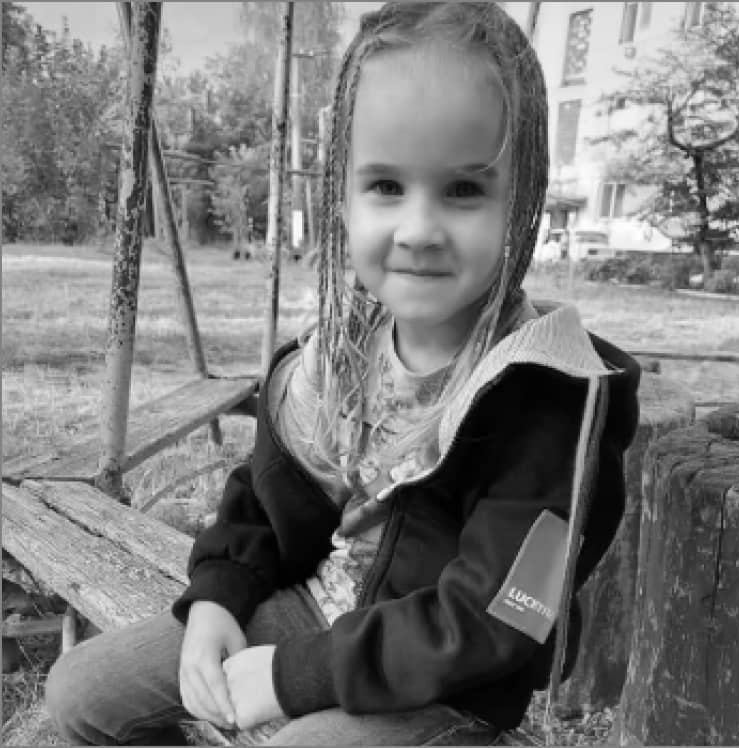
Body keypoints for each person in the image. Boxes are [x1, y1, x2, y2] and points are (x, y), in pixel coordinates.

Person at [45, 3, 640, 745]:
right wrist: (219, 597)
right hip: (312, 613)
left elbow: (500, 618)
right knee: (79, 692)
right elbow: (262, 493)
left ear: (521, 198)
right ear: (343, 194)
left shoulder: (547, 397)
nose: (418, 229)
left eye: (463, 189)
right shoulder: (335, 356)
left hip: (447, 682)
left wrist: (292, 675)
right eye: (386, 185)